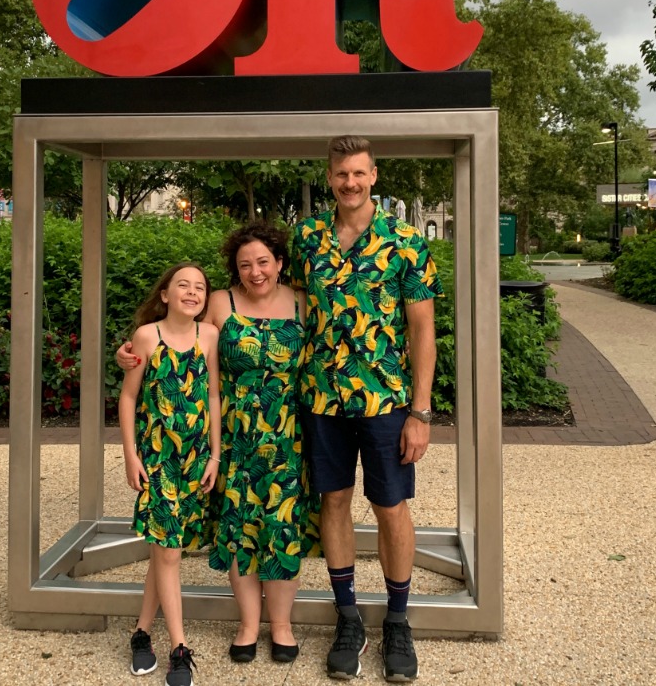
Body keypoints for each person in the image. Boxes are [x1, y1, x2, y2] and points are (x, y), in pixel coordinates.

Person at [117, 224, 320, 665]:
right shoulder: (219, 303)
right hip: (233, 438)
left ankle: (281, 624)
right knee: (239, 529)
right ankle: (248, 623)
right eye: (245, 264)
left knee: (282, 528)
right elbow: (174, 335)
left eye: (264, 261)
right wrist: (127, 354)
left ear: (280, 263)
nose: (255, 271)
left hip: (289, 437)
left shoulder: (304, 302)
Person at [290, 135, 441, 683]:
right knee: (333, 501)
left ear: (374, 175)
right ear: (328, 179)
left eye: (358, 173)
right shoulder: (307, 238)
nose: (349, 183)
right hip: (322, 398)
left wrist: (420, 413)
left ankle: (398, 621)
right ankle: (348, 616)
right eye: (339, 175)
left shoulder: (404, 243)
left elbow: (423, 331)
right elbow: (278, 302)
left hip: (385, 400)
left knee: (391, 506)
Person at [118, 263, 221, 686]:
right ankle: (179, 648)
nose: (192, 292)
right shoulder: (147, 337)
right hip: (158, 460)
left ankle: (141, 631)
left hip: (196, 461)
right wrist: (129, 454)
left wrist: (215, 455)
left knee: (166, 548)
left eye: (200, 287)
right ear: (165, 294)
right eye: (183, 285)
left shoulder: (209, 336)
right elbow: (128, 397)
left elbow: (214, 394)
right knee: (171, 552)